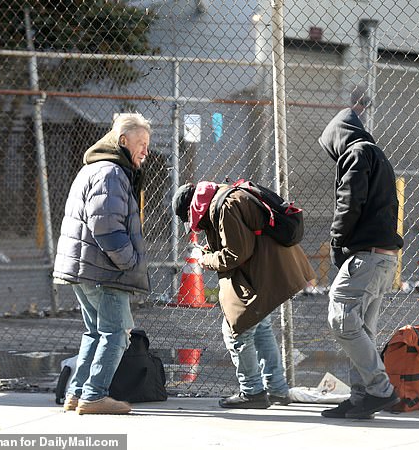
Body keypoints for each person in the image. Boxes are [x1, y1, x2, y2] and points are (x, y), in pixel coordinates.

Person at [172, 181, 316, 409]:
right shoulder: (223, 197)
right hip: (269, 269)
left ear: (193, 208)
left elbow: (236, 253)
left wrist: (204, 259)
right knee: (261, 329)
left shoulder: (226, 205)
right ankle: (277, 390)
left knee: (235, 332)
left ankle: (252, 392)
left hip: (263, 273)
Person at [53, 113, 151, 415]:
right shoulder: (111, 172)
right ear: (123, 141)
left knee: (96, 332)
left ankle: (76, 393)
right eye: (141, 144)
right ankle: (94, 396)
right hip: (104, 270)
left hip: (86, 267)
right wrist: (129, 262)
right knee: (117, 332)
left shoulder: (96, 168)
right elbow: (105, 224)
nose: (146, 151)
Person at [318, 95, 404, 419]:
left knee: (340, 317)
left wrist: (337, 242)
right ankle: (361, 398)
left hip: (366, 258)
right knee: (362, 328)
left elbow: (349, 201)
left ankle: (380, 389)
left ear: (338, 138)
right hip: (384, 259)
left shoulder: (355, 153)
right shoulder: (377, 155)